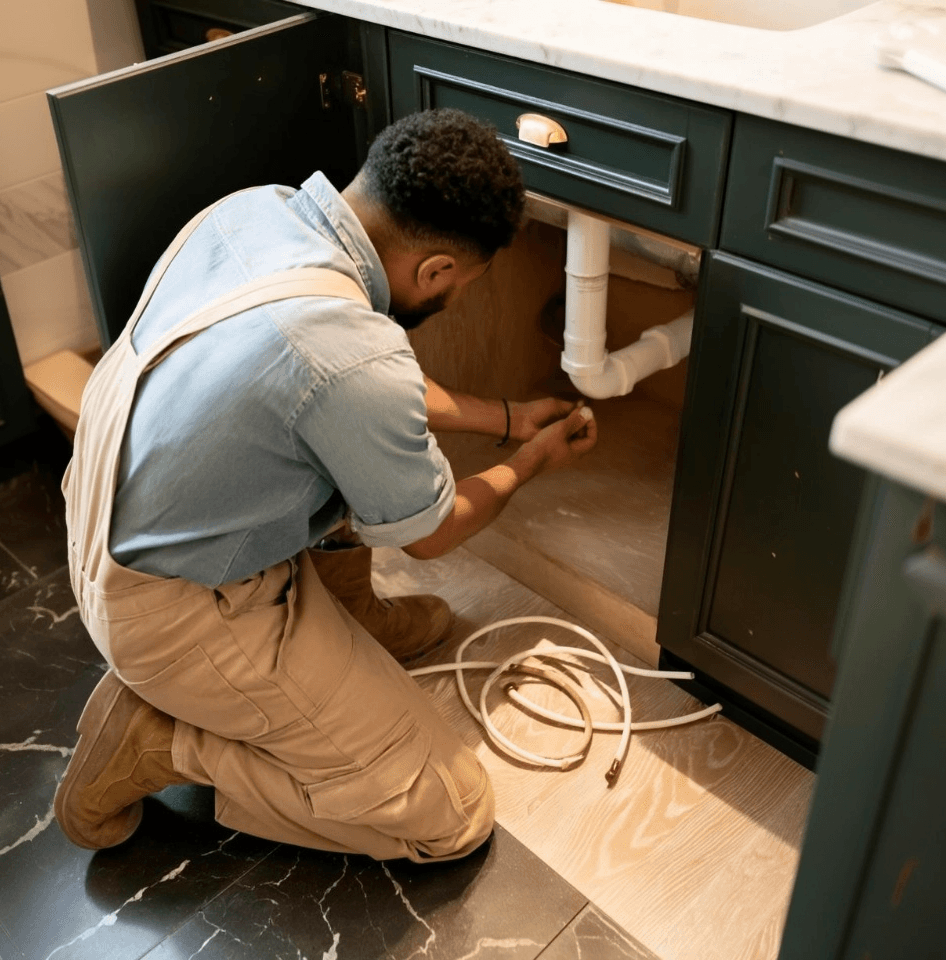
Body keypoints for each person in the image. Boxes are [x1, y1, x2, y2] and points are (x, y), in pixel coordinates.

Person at [54, 107, 598, 863]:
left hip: (101, 515)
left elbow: (366, 389)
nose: (458, 300)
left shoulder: (255, 212)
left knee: (348, 448)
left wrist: (504, 417)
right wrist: (532, 458)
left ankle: (348, 619)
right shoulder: (353, 357)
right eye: (461, 285)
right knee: (452, 815)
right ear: (436, 269)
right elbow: (430, 530)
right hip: (173, 613)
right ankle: (164, 742)